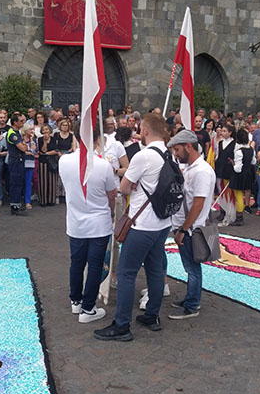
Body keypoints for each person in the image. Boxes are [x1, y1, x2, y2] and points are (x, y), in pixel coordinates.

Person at [95, 114, 173, 342]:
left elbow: (125, 188)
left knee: (127, 273)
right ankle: (151, 315)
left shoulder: (144, 156)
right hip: (162, 223)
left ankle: (122, 325)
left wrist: (131, 183)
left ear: (146, 131)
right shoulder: (170, 155)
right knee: (155, 270)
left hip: (142, 224)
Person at [59, 123, 117, 324]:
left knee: (77, 262)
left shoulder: (64, 161)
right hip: (98, 222)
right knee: (94, 265)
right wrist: (111, 212)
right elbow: (112, 194)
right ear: (97, 139)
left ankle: (76, 300)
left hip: (76, 221)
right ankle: (88, 307)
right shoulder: (103, 165)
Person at [167, 130, 216, 320]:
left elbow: (198, 204)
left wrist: (183, 229)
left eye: (177, 150)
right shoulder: (192, 168)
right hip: (187, 226)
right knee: (190, 266)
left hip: (191, 229)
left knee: (192, 268)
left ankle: (192, 304)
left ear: (189, 146)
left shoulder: (201, 171)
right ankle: (191, 297)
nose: (176, 154)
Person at [229, 128, 255, 226]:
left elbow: (237, 169)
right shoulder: (251, 149)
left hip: (239, 176)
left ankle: (239, 217)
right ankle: (240, 216)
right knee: (245, 193)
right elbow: (253, 162)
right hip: (248, 174)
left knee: (239, 196)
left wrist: (233, 163)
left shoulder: (239, 152)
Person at [6, 113, 28, 215]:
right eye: (21, 121)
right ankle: (14, 206)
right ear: (15, 122)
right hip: (15, 161)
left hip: (18, 160)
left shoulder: (16, 132)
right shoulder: (13, 134)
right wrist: (24, 144)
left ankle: (17, 204)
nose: (23, 123)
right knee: (15, 183)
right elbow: (23, 148)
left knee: (19, 183)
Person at [38, 125, 59, 206]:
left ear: (50, 130)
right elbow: (42, 150)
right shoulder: (40, 139)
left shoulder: (54, 139)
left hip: (52, 161)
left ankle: (51, 200)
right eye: (43, 130)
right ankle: (43, 201)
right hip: (43, 162)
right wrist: (45, 142)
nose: (45, 131)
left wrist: (46, 153)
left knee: (52, 181)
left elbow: (56, 150)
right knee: (43, 181)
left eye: (46, 129)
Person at [22, 123, 38, 209]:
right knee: (20, 182)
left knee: (28, 183)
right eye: (30, 129)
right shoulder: (20, 139)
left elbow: (34, 151)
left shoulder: (33, 140)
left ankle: (28, 201)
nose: (31, 131)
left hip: (30, 163)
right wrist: (29, 152)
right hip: (21, 163)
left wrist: (32, 139)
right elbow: (22, 151)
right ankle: (20, 199)